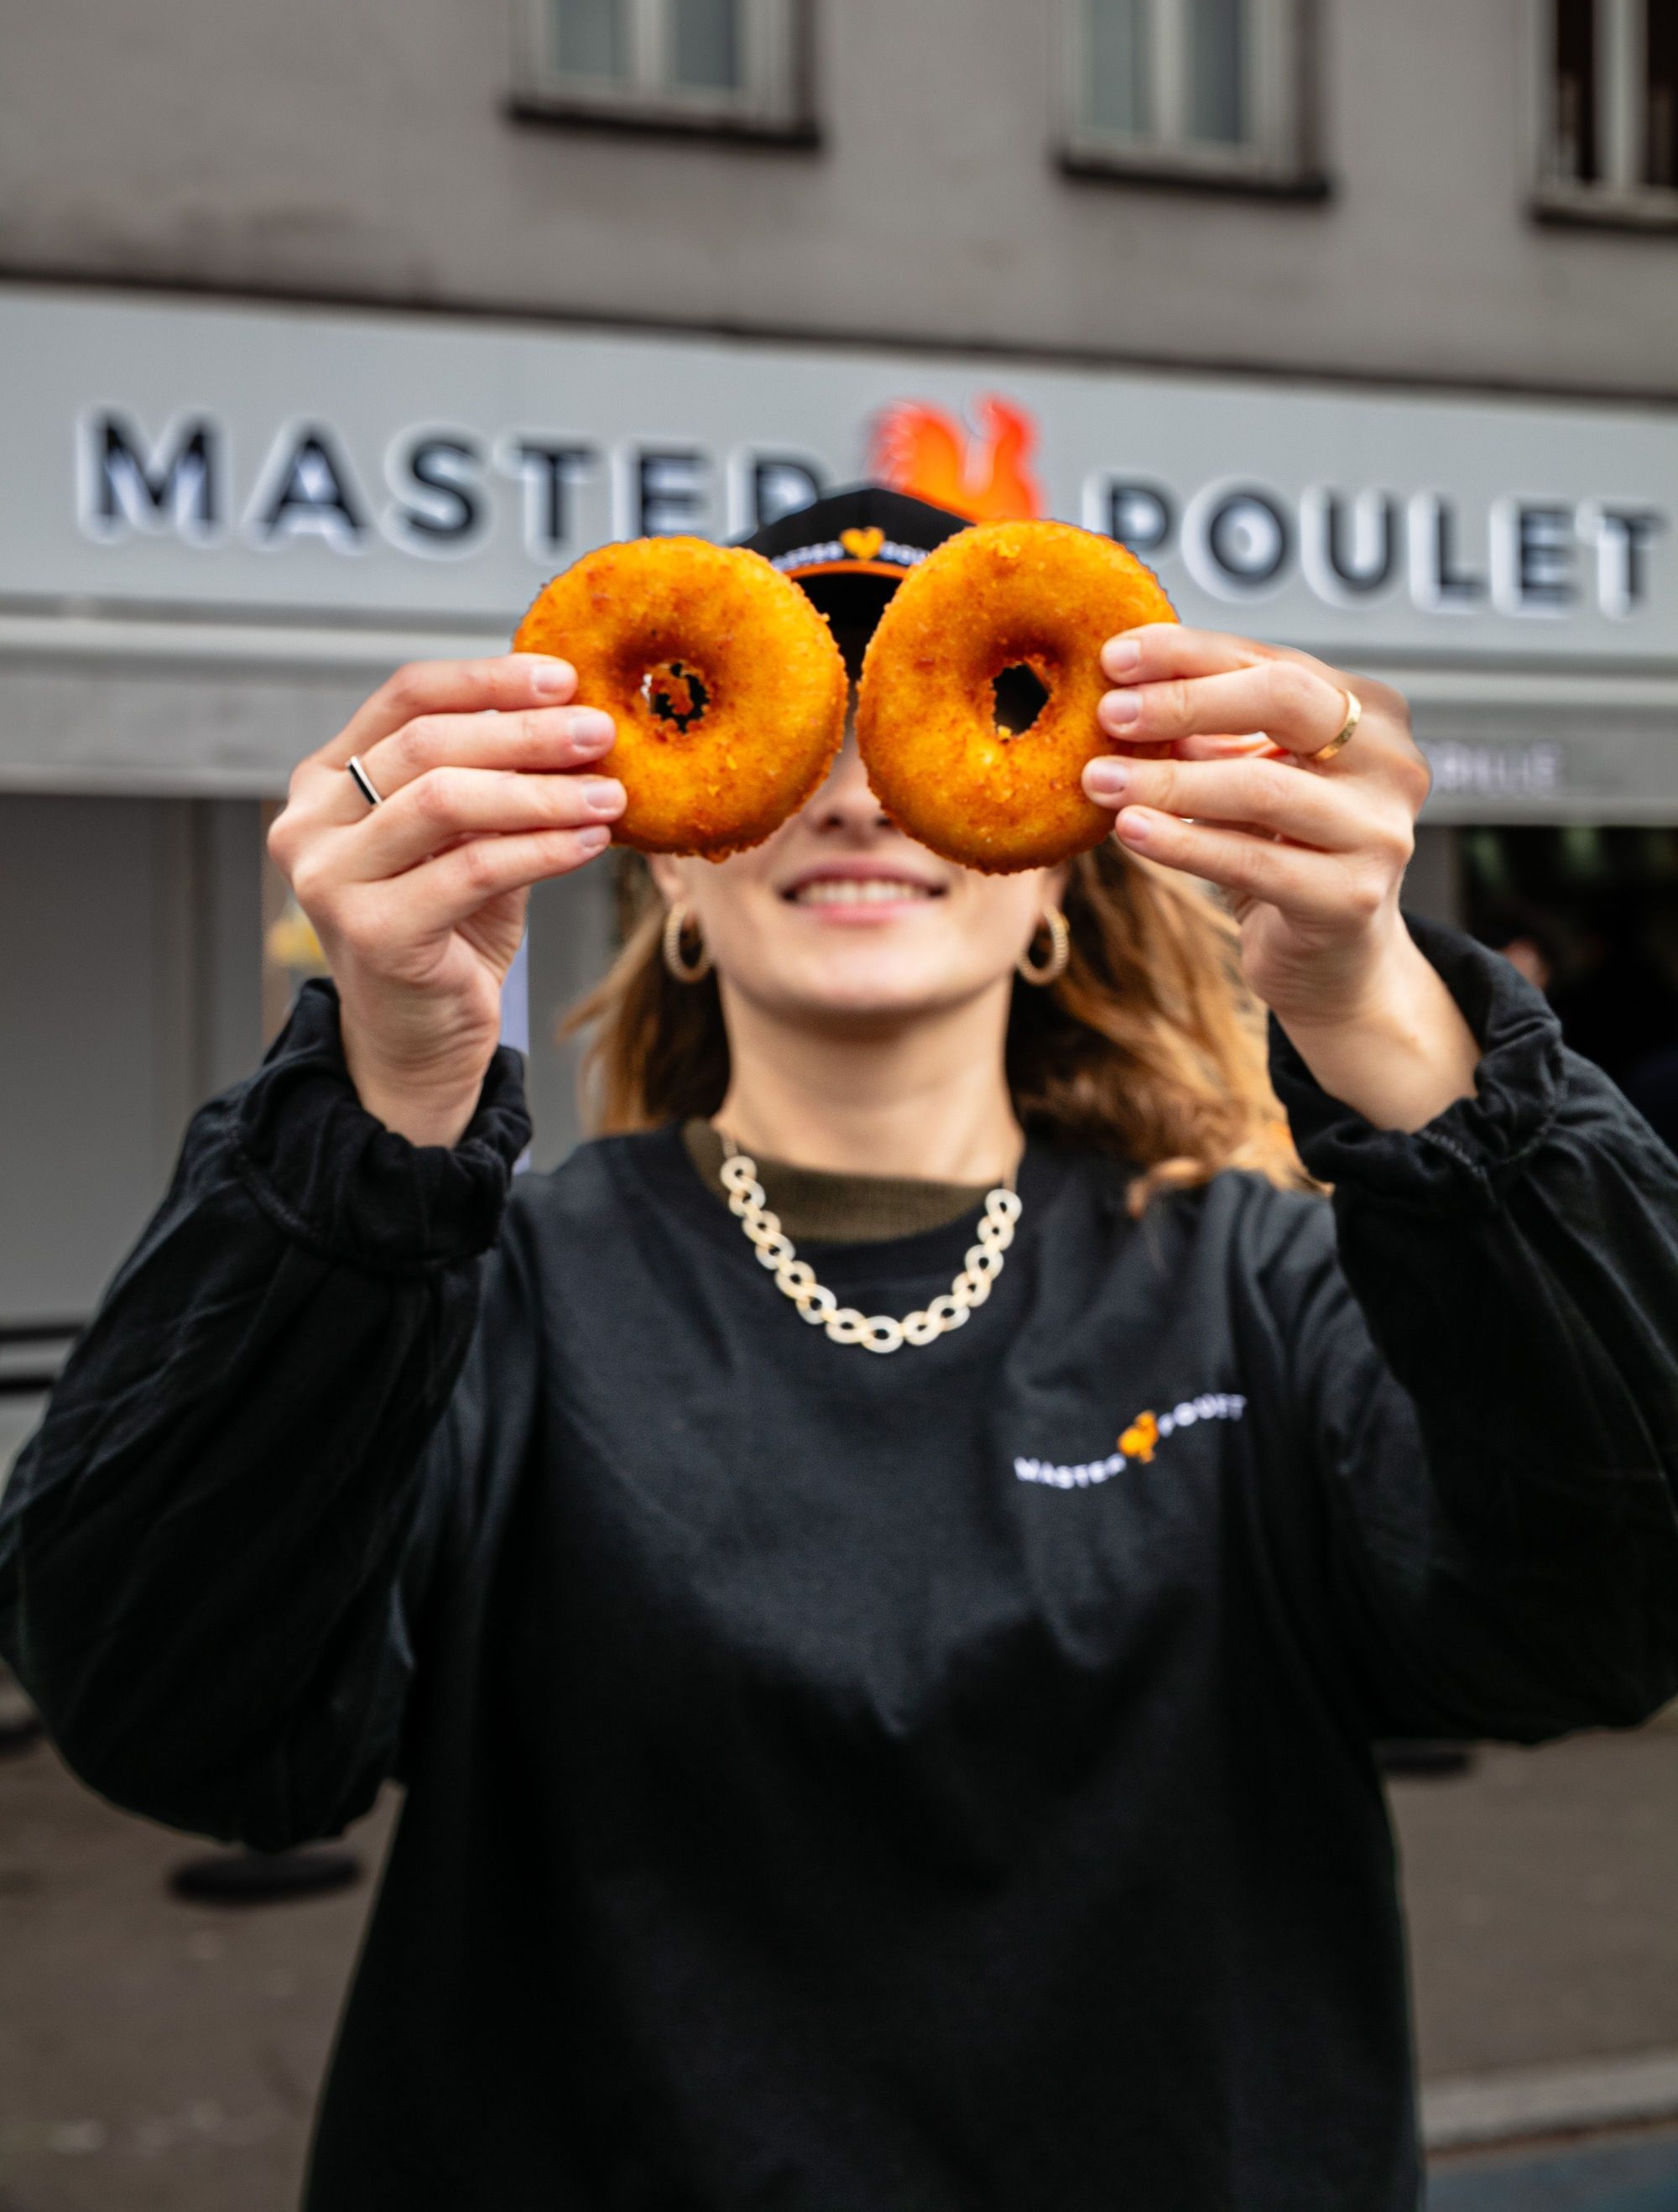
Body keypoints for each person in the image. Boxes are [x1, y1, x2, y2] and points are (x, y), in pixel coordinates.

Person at [3, 488, 1677, 2212]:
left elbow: (1606, 1621)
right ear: (671, 863)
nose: (859, 789)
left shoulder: (1268, 1289)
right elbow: (173, 1713)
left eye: (937, 718)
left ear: (1054, 873)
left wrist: (1379, 1012)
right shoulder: (472, 1298)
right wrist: (376, 1106)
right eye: (796, 733)